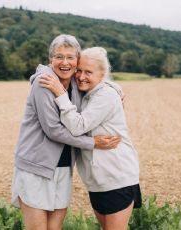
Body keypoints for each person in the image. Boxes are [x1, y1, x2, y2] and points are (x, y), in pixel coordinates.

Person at [11, 35, 121, 230]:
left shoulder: (76, 84)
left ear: (77, 60)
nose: (64, 62)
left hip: (63, 168)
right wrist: (92, 143)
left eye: (70, 57)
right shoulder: (43, 83)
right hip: (35, 167)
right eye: (59, 57)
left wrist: (116, 89)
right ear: (50, 60)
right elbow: (53, 130)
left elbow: (99, 81)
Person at [39, 47, 141, 230]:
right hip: (97, 182)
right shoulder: (87, 94)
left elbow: (78, 126)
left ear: (102, 75)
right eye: (79, 70)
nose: (81, 76)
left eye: (88, 72)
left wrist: (60, 95)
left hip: (117, 177)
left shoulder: (106, 95)